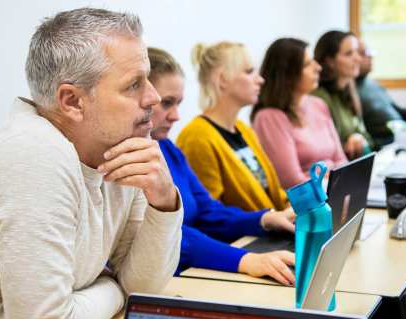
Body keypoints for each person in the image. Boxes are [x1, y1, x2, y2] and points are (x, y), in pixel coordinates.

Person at [0, 8, 183, 319]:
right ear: (72, 101)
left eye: (147, 78)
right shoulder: (33, 153)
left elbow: (143, 289)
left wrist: (164, 201)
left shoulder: (120, 146)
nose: (153, 97)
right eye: (134, 85)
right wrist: (114, 288)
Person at [148, 47, 296, 285]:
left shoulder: (168, 149)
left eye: (178, 103)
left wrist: (264, 220)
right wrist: (244, 259)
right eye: (166, 103)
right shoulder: (132, 160)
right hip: (178, 277)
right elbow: (169, 234)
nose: (176, 115)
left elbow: (208, 212)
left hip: (198, 266)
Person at [177, 41, 289, 212]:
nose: (260, 80)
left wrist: (297, 208)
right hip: (245, 237)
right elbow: (211, 214)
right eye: (249, 72)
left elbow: (271, 193)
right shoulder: (196, 137)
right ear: (222, 80)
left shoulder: (243, 129)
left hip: (271, 230)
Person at [252, 38, 348, 189]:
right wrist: (332, 178)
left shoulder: (319, 104)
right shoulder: (268, 117)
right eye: (308, 64)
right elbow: (291, 181)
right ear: (287, 74)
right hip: (307, 206)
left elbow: (341, 160)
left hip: (334, 194)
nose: (318, 68)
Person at [312, 30, 373, 159]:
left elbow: (367, 138)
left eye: (357, 52)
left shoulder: (349, 91)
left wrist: (359, 137)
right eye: (349, 53)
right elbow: (325, 149)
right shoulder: (319, 97)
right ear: (330, 61)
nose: (358, 58)